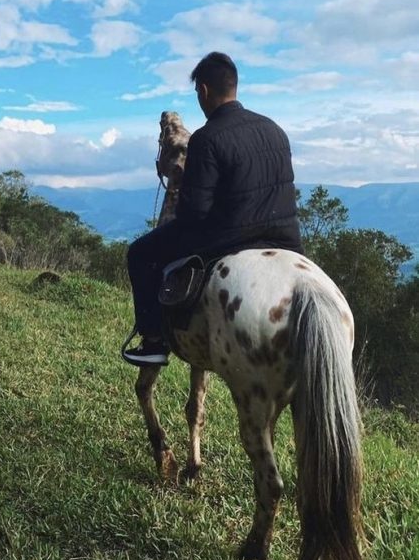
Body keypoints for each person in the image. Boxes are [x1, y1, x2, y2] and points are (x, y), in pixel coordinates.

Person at [122, 52, 303, 367]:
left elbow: (194, 214)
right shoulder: (275, 130)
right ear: (234, 85)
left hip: (231, 241)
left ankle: (153, 341)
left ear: (204, 91)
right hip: (286, 242)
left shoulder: (207, 137)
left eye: (197, 94)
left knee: (139, 253)